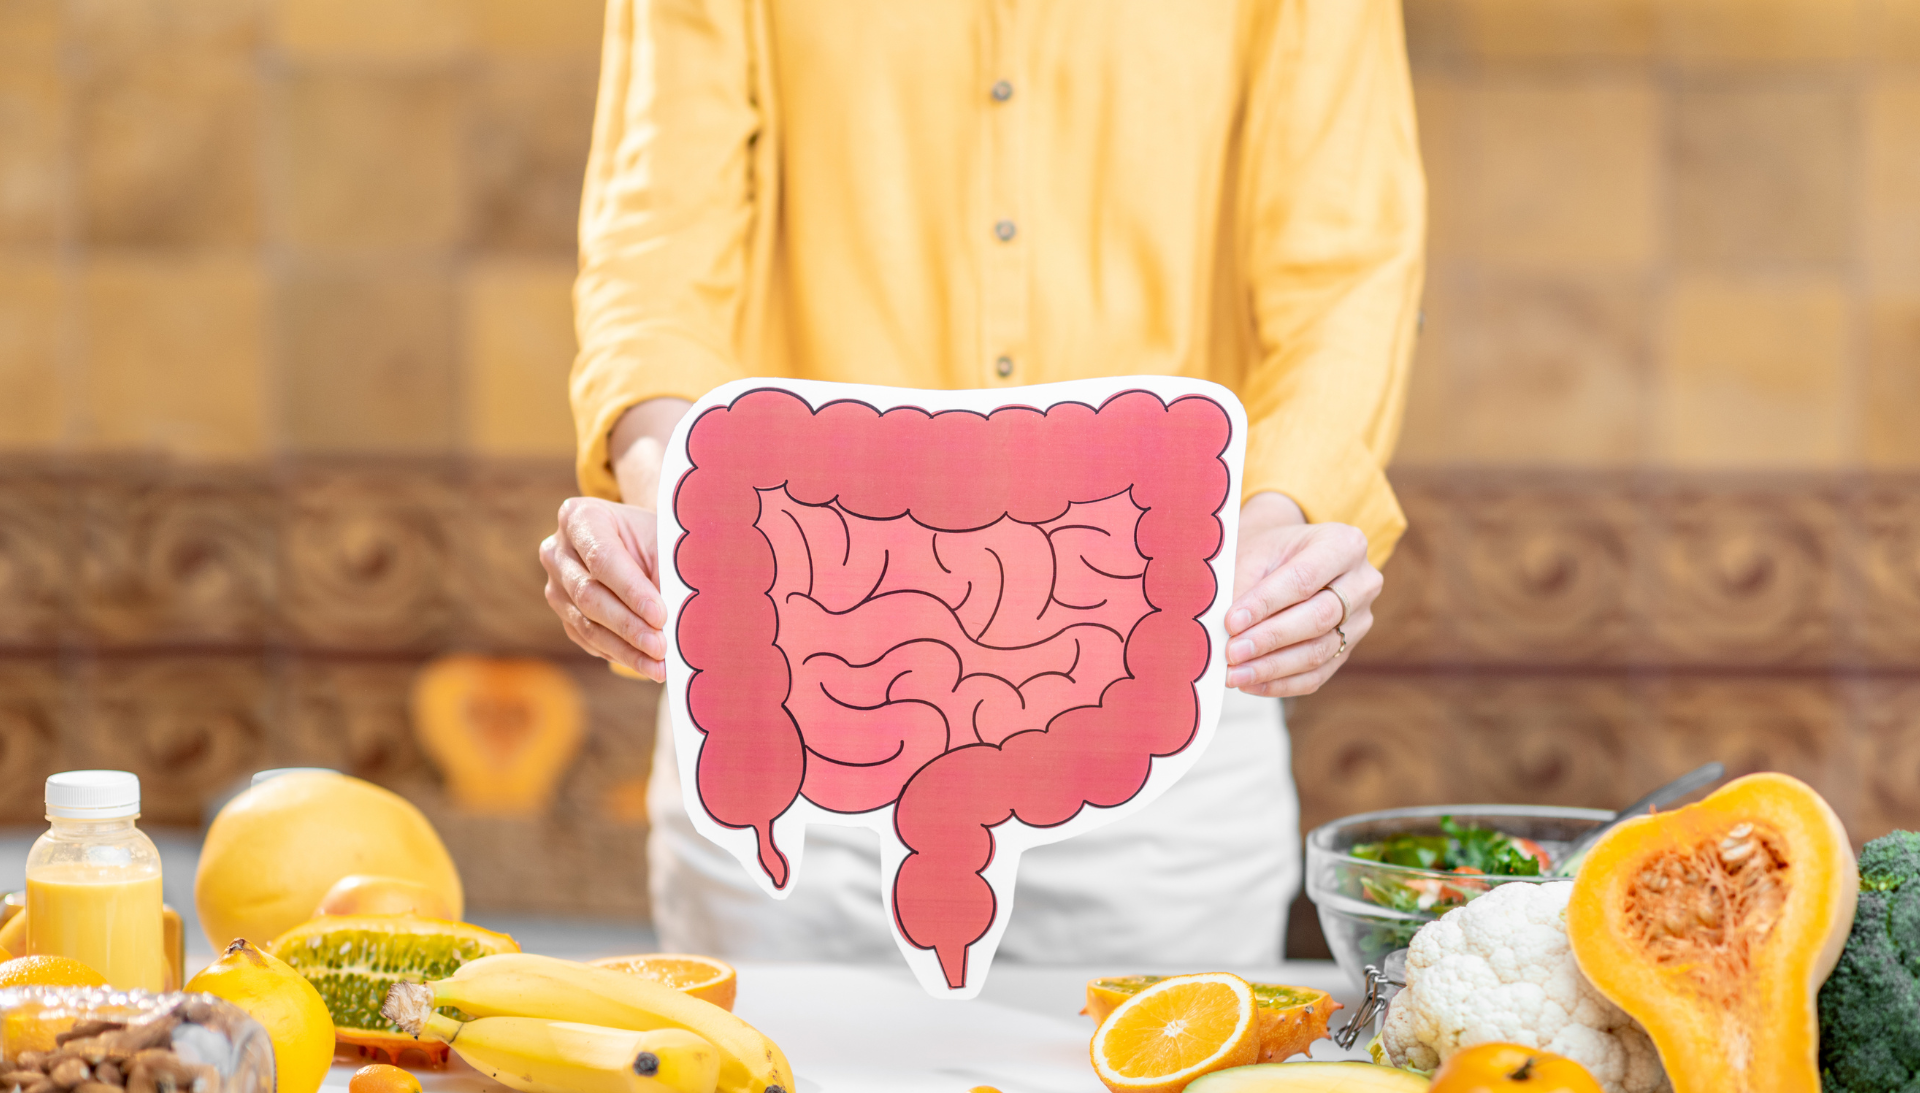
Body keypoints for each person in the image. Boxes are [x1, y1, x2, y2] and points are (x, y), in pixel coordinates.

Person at [542, 1, 1423, 966]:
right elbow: (654, 235)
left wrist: (1280, 518)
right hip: (785, 721)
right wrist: (670, 489)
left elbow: (1347, 266)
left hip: (1170, 717)